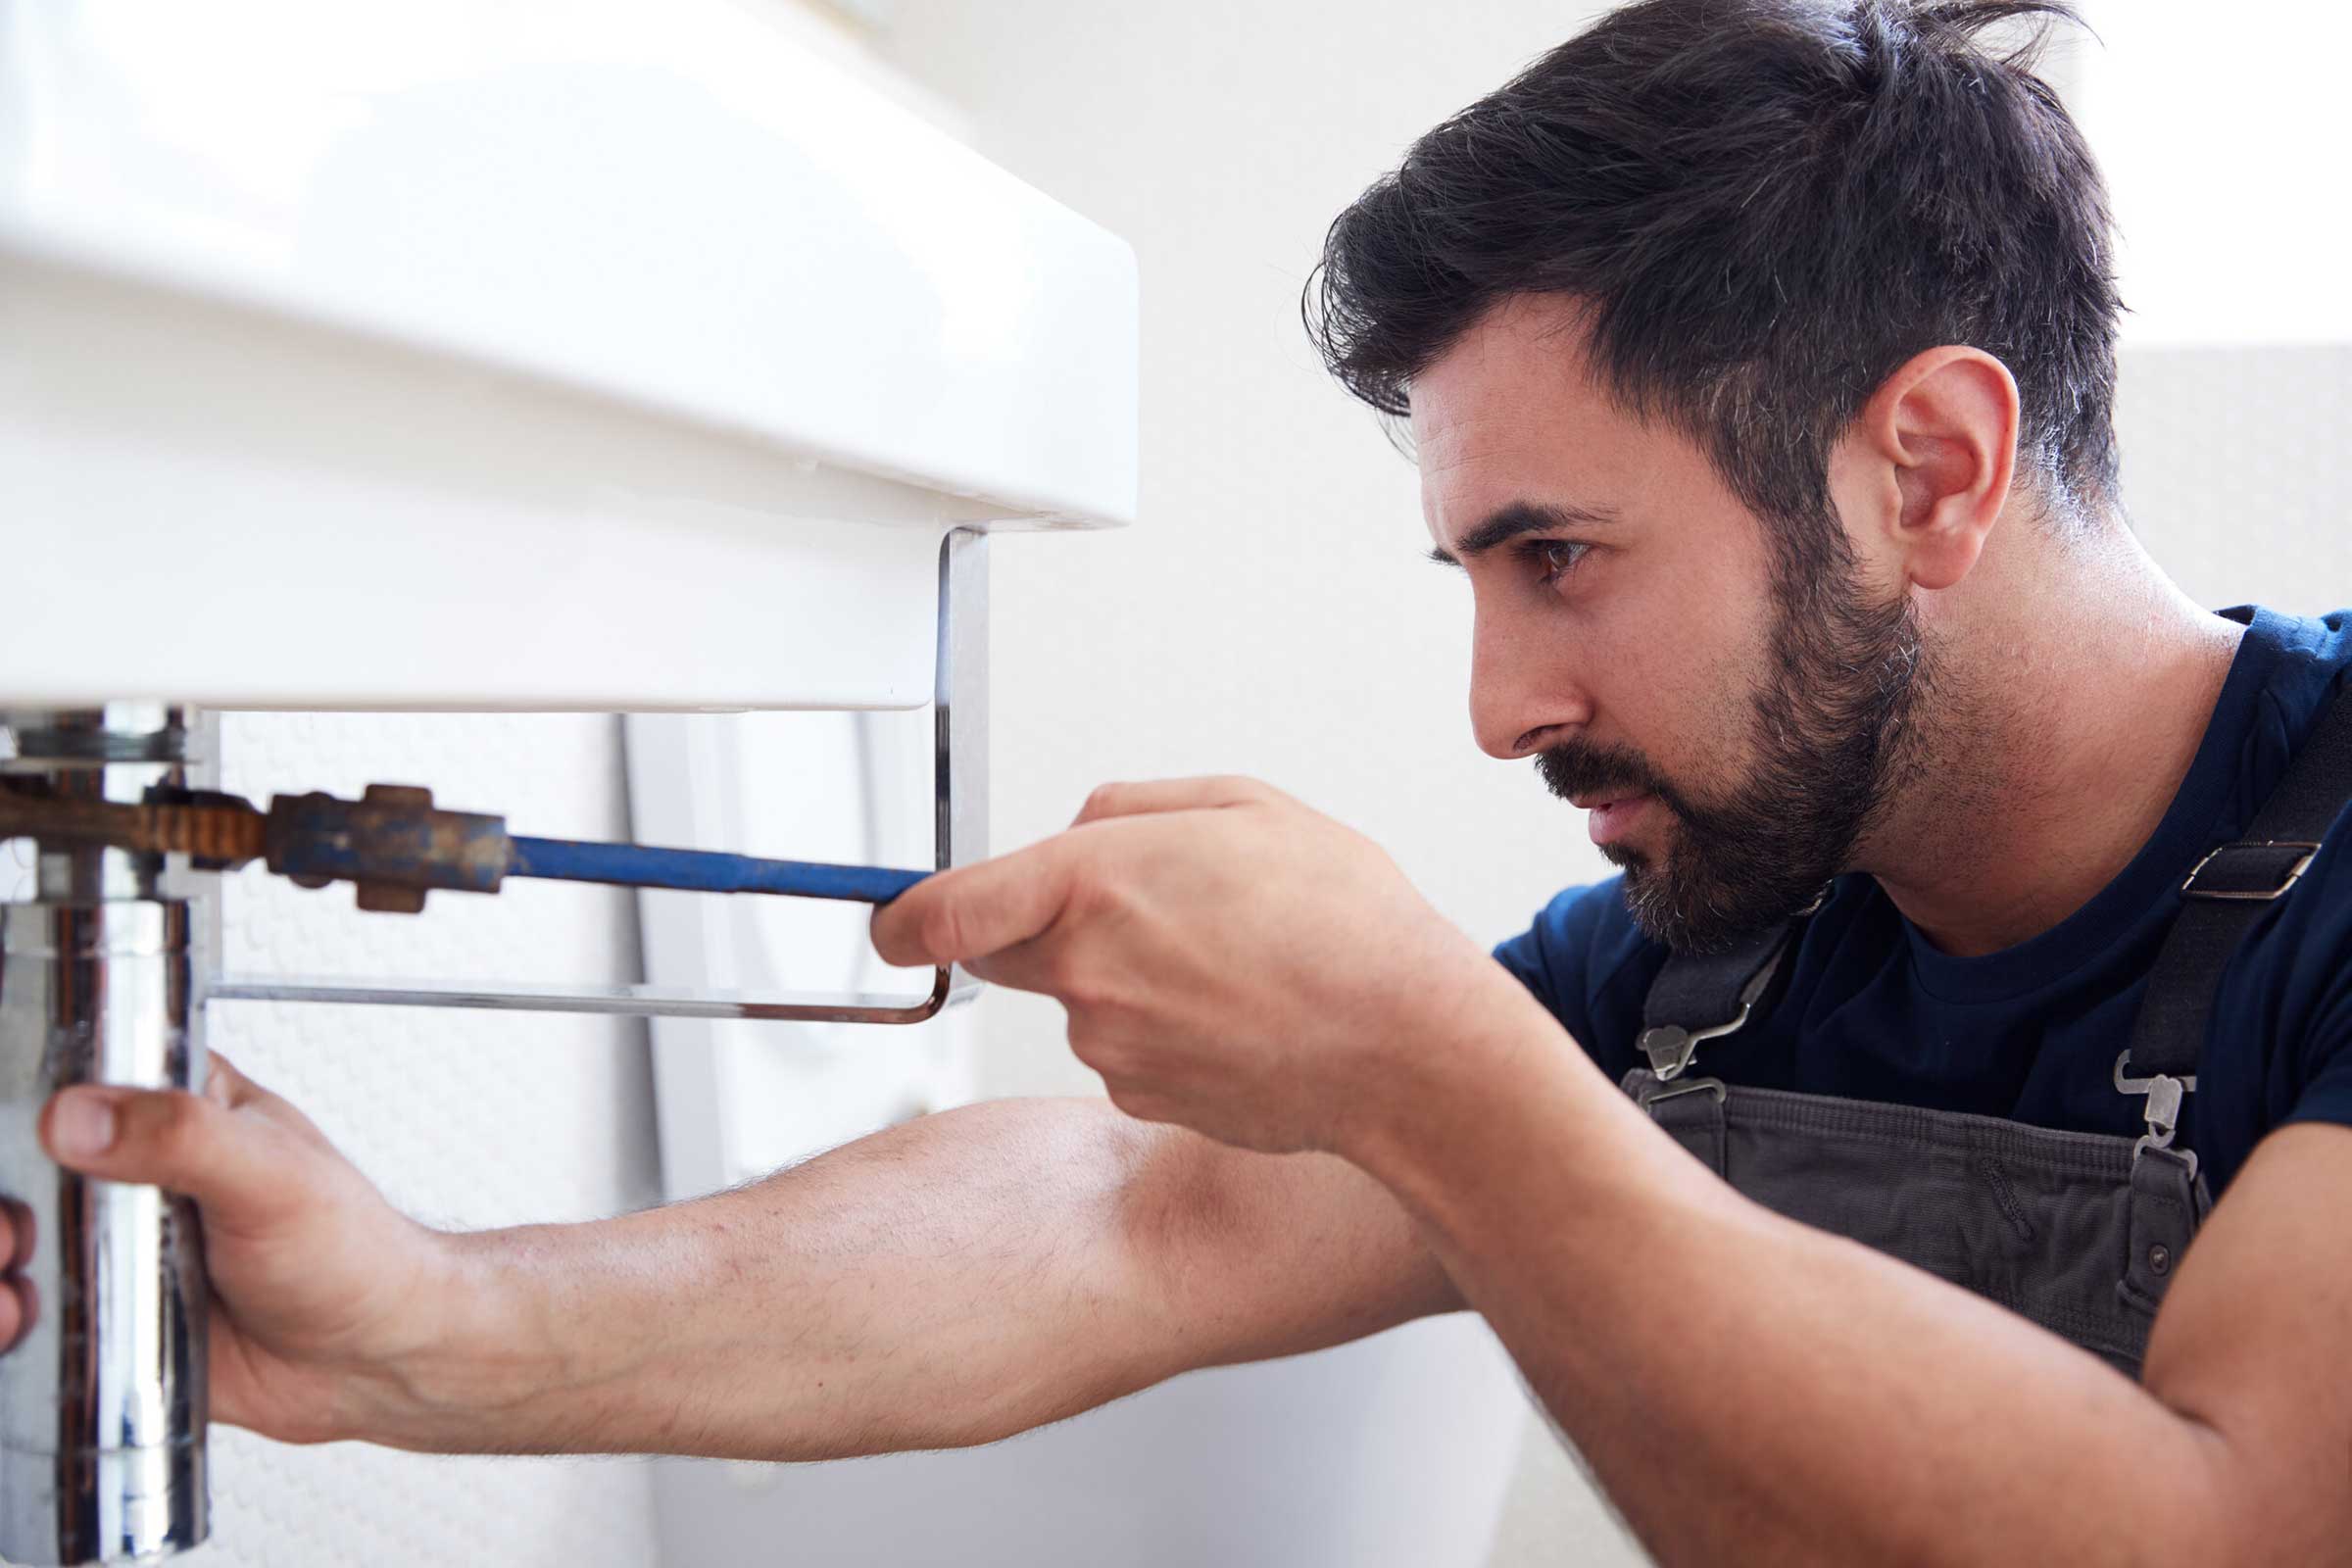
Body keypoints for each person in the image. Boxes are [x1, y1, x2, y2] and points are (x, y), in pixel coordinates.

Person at [10, 0, 2351, 1559]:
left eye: (1560, 556)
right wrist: (421, 1316)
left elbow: (2233, 1527)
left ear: (1928, 467)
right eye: (1474, 571)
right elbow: (1146, 1217)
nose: (1499, 704)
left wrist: (1436, 1070)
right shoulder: (1735, 950)